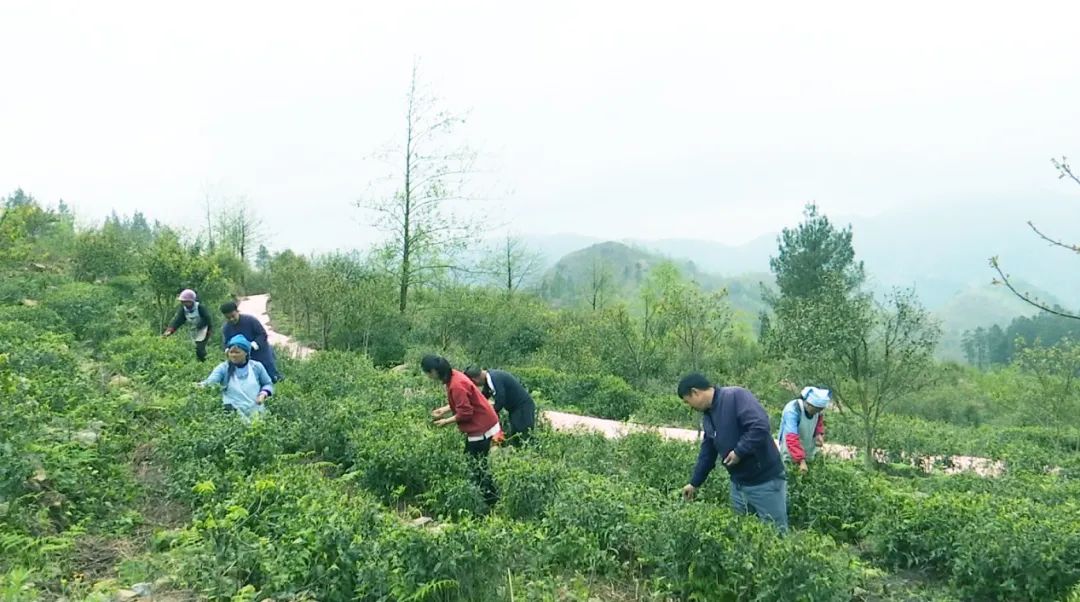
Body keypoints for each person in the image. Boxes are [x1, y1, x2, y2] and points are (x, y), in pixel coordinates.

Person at [678, 373, 788, 532]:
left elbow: (760, 426)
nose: (690, 407)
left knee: (776, 534)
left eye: (688, 402)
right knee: (742, 535)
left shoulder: (735, 396)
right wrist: (695, 483)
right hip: (738, 485)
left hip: (765, 483)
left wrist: (739, 452)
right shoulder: (708, 416)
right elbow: (708, 453)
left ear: (695, 392)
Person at [423, 354, 502, 507]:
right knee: (476, 462)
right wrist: (445, 410)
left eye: (427, 373)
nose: (428, 376)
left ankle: (490, 502)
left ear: (433, 371)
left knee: (476, 466)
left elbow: (466, 412)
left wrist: (446, 421)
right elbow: (464, 401)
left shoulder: (456, 384)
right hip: (485, 422)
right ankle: (489, 499)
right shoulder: (454, 375)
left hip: (481, 427)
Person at [198, 334, 274, 422]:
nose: (233, 355)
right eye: (231, 352)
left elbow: (268, 384)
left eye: (237, 352)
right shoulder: (223, 368)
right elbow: (211, 382)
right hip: (233, 413)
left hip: (256, 410)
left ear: (246, 353)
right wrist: (201, 385)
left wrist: (263, 394)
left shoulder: (256, 367)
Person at [463, 366, 536, 447]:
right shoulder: (490, 378)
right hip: (514, 409)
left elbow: (500, 401)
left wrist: (489, 416)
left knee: (524, 435)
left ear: (474, 380)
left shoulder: (495, 379)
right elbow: (483, 397)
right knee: (516, 434)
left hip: (522, 407)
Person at [220, 300, 282, 382]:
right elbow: (227, 343)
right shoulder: (226, 328)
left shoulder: (250, 320)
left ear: (237, 311)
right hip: (243, 358)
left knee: (271, 376)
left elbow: (262, 335)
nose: (231, 319)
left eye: (233, 316)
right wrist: (228, 350)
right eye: (228, 318)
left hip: (261, 353)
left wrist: (253, 345)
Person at [777, 386, 831, 473]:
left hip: (807, 449)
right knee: (788, 473)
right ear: (808, 404)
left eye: (820, 410)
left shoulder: (817, 410)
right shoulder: (793, 410)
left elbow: (819, 422)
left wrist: (818, 434)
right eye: (816, 410)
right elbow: (791, 437)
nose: (817, 412)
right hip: (790, 449)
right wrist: (801, 461)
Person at [163, 289, 212, 362]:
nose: (184, 303)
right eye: (183, 302)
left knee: (200, 348)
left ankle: (205, 362)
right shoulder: (183, 310)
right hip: (194, 329)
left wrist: (205, 329)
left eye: (186, 302)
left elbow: (208, 319)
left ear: (192, 301)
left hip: (204, 329)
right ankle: (198, 362)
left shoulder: (200, 308)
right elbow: (178, 321)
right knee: (194, 347)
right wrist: (170, 331)